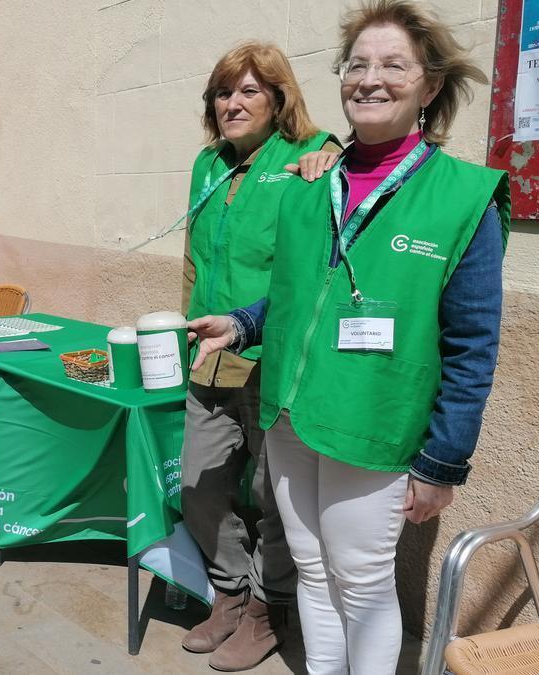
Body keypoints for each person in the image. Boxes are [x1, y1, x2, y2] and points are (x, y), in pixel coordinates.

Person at [188, 2, 508, 672]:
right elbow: (295, 293)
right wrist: (242, 322)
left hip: (375, 425)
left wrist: (442, 461)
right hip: (290, 416)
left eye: (393, 65)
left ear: (429, 86)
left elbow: (473, 344)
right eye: (357, 64)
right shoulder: (311, 186)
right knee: (310, 571)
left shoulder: (463, 197)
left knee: (361, 582)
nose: (370, 78)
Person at [178, 42, 339, 672]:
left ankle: (271, 610)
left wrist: (333, 159)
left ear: (278, 99)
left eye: (249, 91)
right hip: (210, 353)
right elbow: (194, 259)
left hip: (275, 360)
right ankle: (230, 592)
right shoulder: (207, 165)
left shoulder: (314, 153)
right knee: (199, 484)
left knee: (279, 497)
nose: (233, 103)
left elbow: (342, 223)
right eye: (223, 92)